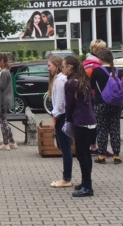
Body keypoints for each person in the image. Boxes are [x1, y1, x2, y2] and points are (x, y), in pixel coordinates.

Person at [62, 56, 97, 197]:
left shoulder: (70, 83)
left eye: (63, 66)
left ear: (70, 67)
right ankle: (85, 182)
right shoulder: (83, 80)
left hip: (80, 121)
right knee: (86, 153)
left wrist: (68, 119)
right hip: (90, 120)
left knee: (82, 155)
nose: (62, 68)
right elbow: (92, 100)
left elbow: (69, 104)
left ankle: (87, 187)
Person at [90, 48, 122, 165]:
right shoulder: (117, 71)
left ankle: (102, 156)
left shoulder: (97, 71)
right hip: (116, 104)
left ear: (101, 58)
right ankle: (117, 156)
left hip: (101, 103)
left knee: (102, 129)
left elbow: (91, 85)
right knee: (115, 129)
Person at [48, 55, 72, 188]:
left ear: (56, 66)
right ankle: (66, 176)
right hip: (63, 116)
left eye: (49, 65)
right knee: (65, 147)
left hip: (62, 116)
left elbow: (60, 103)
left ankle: (66, 178)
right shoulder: (61, 79)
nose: (48, 68)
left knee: (65, 148)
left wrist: (54, 119)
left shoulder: (59, 80)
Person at [83, 39, 108, 155]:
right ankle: (93, 146)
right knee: (95, 122)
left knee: (94, 122)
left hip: (93, 96)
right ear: (97, 51)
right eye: (103, 48)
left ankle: (93, 145)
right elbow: (89, 83)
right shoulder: (93, 65)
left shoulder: (88, 63)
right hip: (94, 97)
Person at [0, 53, 17, 150]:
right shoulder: (4, 71)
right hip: (3, 99)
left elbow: (2, 86)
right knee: (4, 121)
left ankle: (6, 143)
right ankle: (12, 141)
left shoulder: (4, 72)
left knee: (3, 122)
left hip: (2, 100)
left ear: (2, 61)